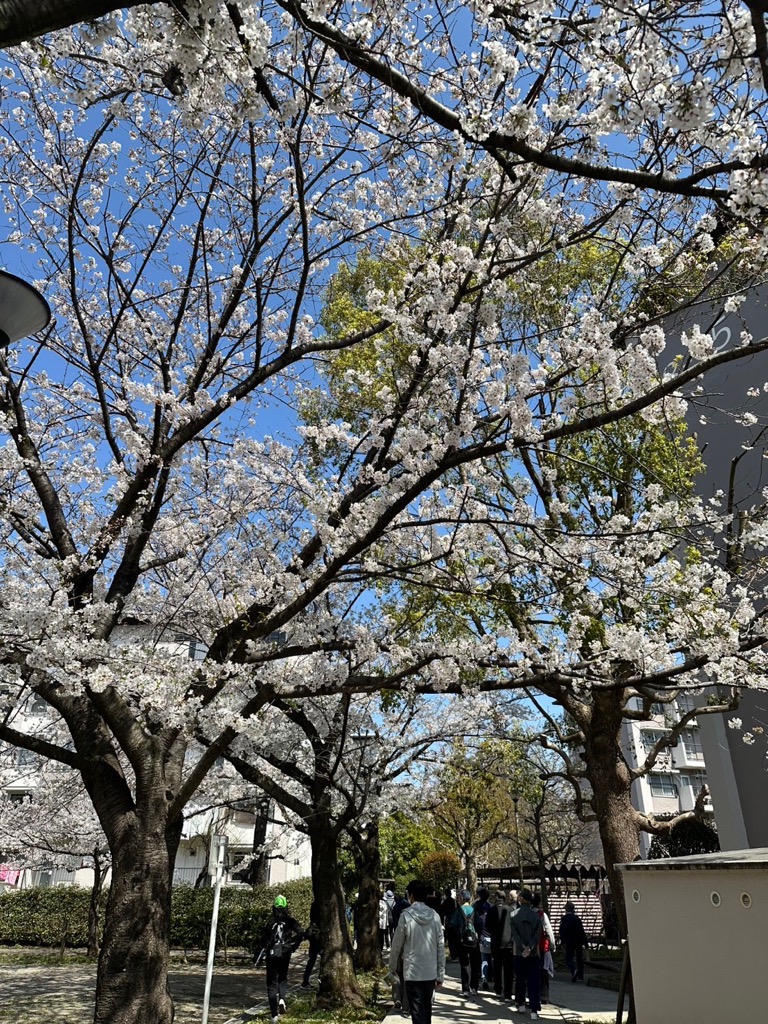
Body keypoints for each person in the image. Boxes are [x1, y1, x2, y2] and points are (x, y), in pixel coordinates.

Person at [389, 879, 445, 1024]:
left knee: (416, 1012)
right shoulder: (435, 916)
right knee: (427, 1010)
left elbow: (396, 946)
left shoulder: (405, 916)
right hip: (430, 972)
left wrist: (392, 967)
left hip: (412, 972)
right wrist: (441, 973)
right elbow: (440, 947)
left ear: (411, 895)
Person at [258, 895, 306, 1024]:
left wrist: (260, 953)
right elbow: (301, 933)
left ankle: (274, 1015)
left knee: (271, 983)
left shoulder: (270, 922)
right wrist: (293, 946)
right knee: (283, 977)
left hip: (272, 954)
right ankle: (282, 999)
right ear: (286, 907)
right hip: (286, 952)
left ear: (274, 907)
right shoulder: (290, 921)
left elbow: (263, 940)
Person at [511, 888, 543, 1021]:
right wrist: (530, 946)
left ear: (521, 899)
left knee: (520, 979)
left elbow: (515, 934)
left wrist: (522, 946)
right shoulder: (536, 916)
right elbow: (538, 934)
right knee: (533, 981)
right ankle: (534, 1009)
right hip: (533, 953)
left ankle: (521, 1004)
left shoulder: (513, 915)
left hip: (519, 952)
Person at [450, 889, 481, 996]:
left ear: (463, 899)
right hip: (474, 940)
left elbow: (453, 924)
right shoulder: (474, 909)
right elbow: (479, 924)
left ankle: (466, 989)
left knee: (464, 965)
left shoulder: (459, 911)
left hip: (463, 940)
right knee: (475, 964)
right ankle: (475, 988)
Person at [486, 888, 515, 1002]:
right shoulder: (511, 909)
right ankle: (508, 994)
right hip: (509, 943)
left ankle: (498, 990)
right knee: (509, 969)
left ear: (496, 898)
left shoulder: (491, 910)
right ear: (504, 898)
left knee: (497, 967)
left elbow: (487, 926)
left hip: (496, 943)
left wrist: (494, 933)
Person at [531, 893, 556, 1005]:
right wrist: (553, 945)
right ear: (539, 902)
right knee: (544, 971)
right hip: (542, 947)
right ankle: (544, 995)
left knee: (532, 972)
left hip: (530, 947)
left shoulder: (526, 914)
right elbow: (549, 932)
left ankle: (532, 994)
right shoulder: (542, 915)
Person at [559, 900, 589, 983]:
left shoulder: (564, 919)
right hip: (578, 941)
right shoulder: (577, 919)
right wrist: (585, 943)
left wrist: (562, 942)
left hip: (569, 941)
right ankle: (580, 977)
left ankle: (573, 970)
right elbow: (582, 931)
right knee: (579, 959)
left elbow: (562, 931)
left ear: (566, 910)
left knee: (569, 958)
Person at [472, 885, 493, 990]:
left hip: (481, 935)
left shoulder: (475, 906)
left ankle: (483, 977)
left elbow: (473, 920)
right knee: (491, 958)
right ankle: (491, 977)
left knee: (483, 958)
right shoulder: (490, 907)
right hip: (491, 935)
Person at [302, 900, 322, 988]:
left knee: (312, 959)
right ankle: (320, 978)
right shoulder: (322, 905)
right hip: (318, 934)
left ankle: (305, 980)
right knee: (323, 957)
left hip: (313, 934)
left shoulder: (314, 905)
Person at [440, 887, 459, 961]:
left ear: (445, 894)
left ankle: (453, 955)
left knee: (451, 940)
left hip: (449, 922)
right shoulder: (454, 901)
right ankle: (457, 955)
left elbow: (442, 911)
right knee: (455, 939)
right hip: (455, 922)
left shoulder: (445, 902)